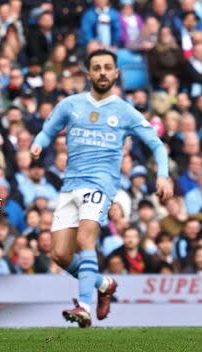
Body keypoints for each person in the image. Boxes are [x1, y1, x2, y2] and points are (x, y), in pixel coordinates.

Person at [30, 49, 173, 328]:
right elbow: (48, 129)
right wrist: (39, 143)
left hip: (100, 184)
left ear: (117, 73)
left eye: (108, 67)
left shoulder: (124, 111)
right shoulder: (71, 105)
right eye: (97, 68)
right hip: (70, 185)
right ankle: (103, 284)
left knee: (85, 241)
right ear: (88, 74)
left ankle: (84, 305)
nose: (103, 72)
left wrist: (164, 176)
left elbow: (156, 144)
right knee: (59, 254)